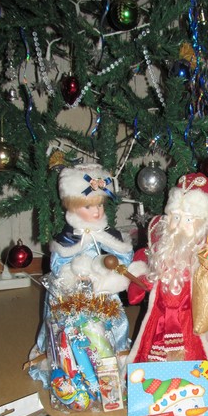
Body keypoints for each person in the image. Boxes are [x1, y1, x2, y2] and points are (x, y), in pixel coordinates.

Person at [28, 163, 145, 397]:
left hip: (102, 291)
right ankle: (69, 363)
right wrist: (73, 275)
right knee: (68, 325)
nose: (97, 212)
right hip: (72, 294)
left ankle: (112, 361)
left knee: (111, 321)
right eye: (89, 206)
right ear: (72, 206)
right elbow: (57, 267)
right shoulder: (67, 238)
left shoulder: (107, 232)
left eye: (100, 205)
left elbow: (123, 256)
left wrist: (109, 269)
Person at [127, 172, 208, 369]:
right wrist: (141, 278)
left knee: (195, 360)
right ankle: (154, 378)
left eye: (188, 220)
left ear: (202, 224)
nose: (178, 225)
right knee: (151, 357)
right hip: (159, 316)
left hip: (192, 319)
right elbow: (142, 262)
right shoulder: (160, 243)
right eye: (175, 217)